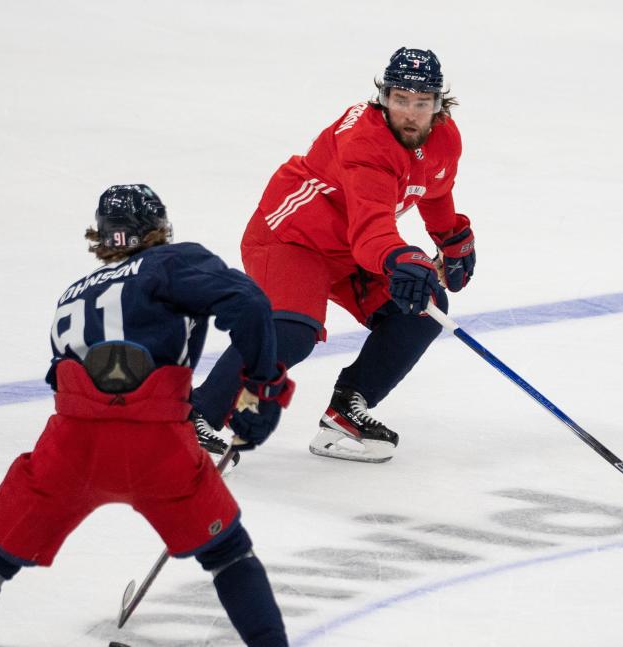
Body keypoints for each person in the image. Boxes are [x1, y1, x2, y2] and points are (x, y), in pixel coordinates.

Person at [0, 184, 293, 647]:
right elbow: (251, 304)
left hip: (69, 448)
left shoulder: (71, 295)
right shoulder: (172, 261)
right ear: (159, 229)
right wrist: (262, 387)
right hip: (158, 446)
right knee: (229, 555)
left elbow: (63, 381)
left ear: (101, 235)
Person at [190, 47, 476, 464]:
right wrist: (403, 257)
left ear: (438, 104)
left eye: (421, 103)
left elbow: (433, 185)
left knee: (422, 309)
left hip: (349, 249)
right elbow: (370, 235)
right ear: (384, 98)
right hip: (291, 237)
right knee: (291, 331)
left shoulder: (444, 137)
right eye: (400, 100)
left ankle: (347, 412)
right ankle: (194, 416)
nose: (410, 113)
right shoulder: (365, 143)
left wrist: (449, 236)